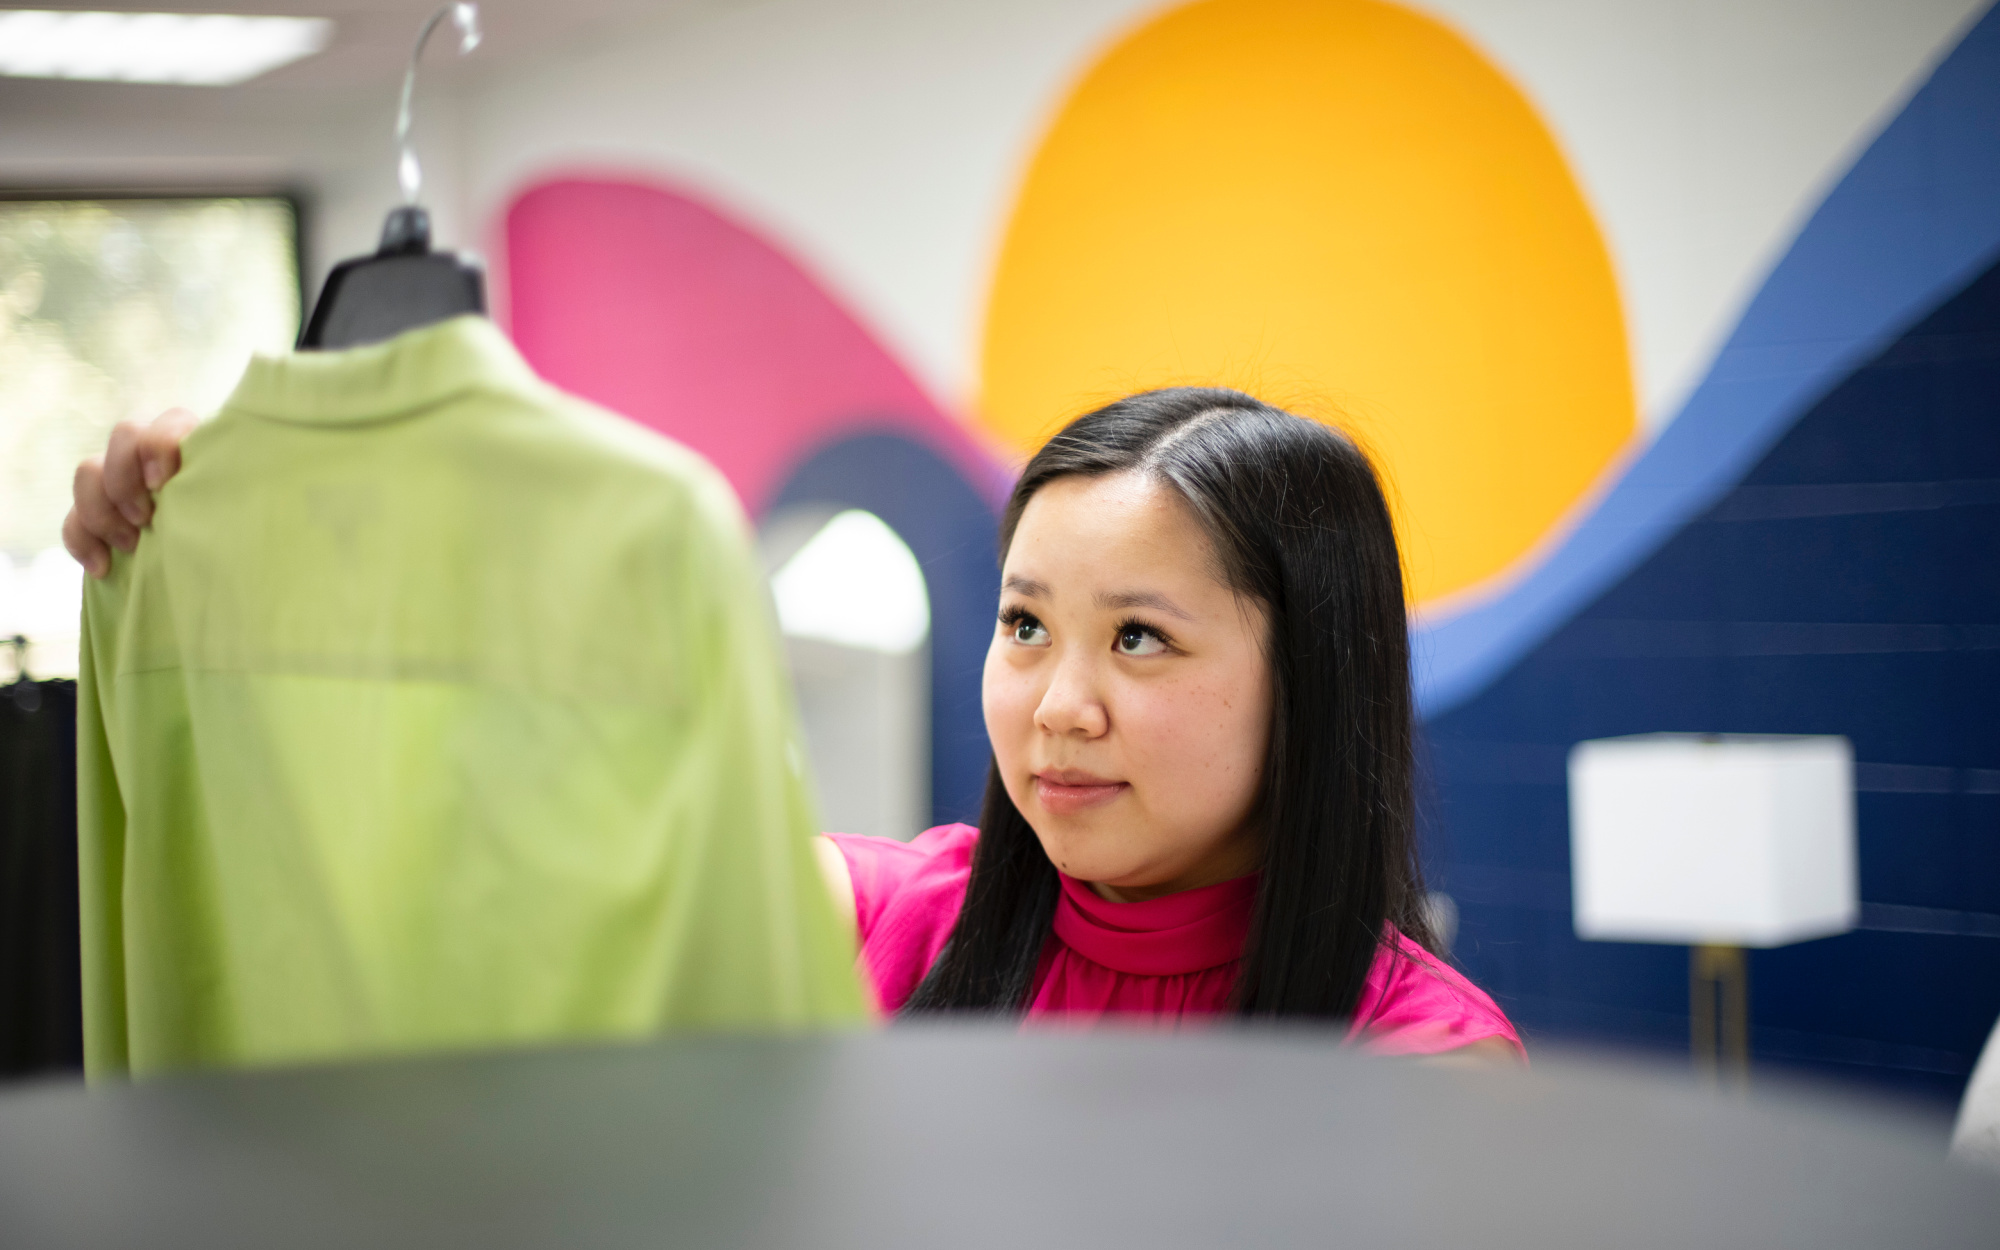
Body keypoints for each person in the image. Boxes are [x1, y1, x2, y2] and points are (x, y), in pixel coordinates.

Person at [69, 388, 1522, 1063]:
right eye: (1025, 626)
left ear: (1310, 672)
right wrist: (257, 522)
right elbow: (512, 821)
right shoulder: (892, 918)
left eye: (1138, 636)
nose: (1055, 704)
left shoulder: (1423, 1069)